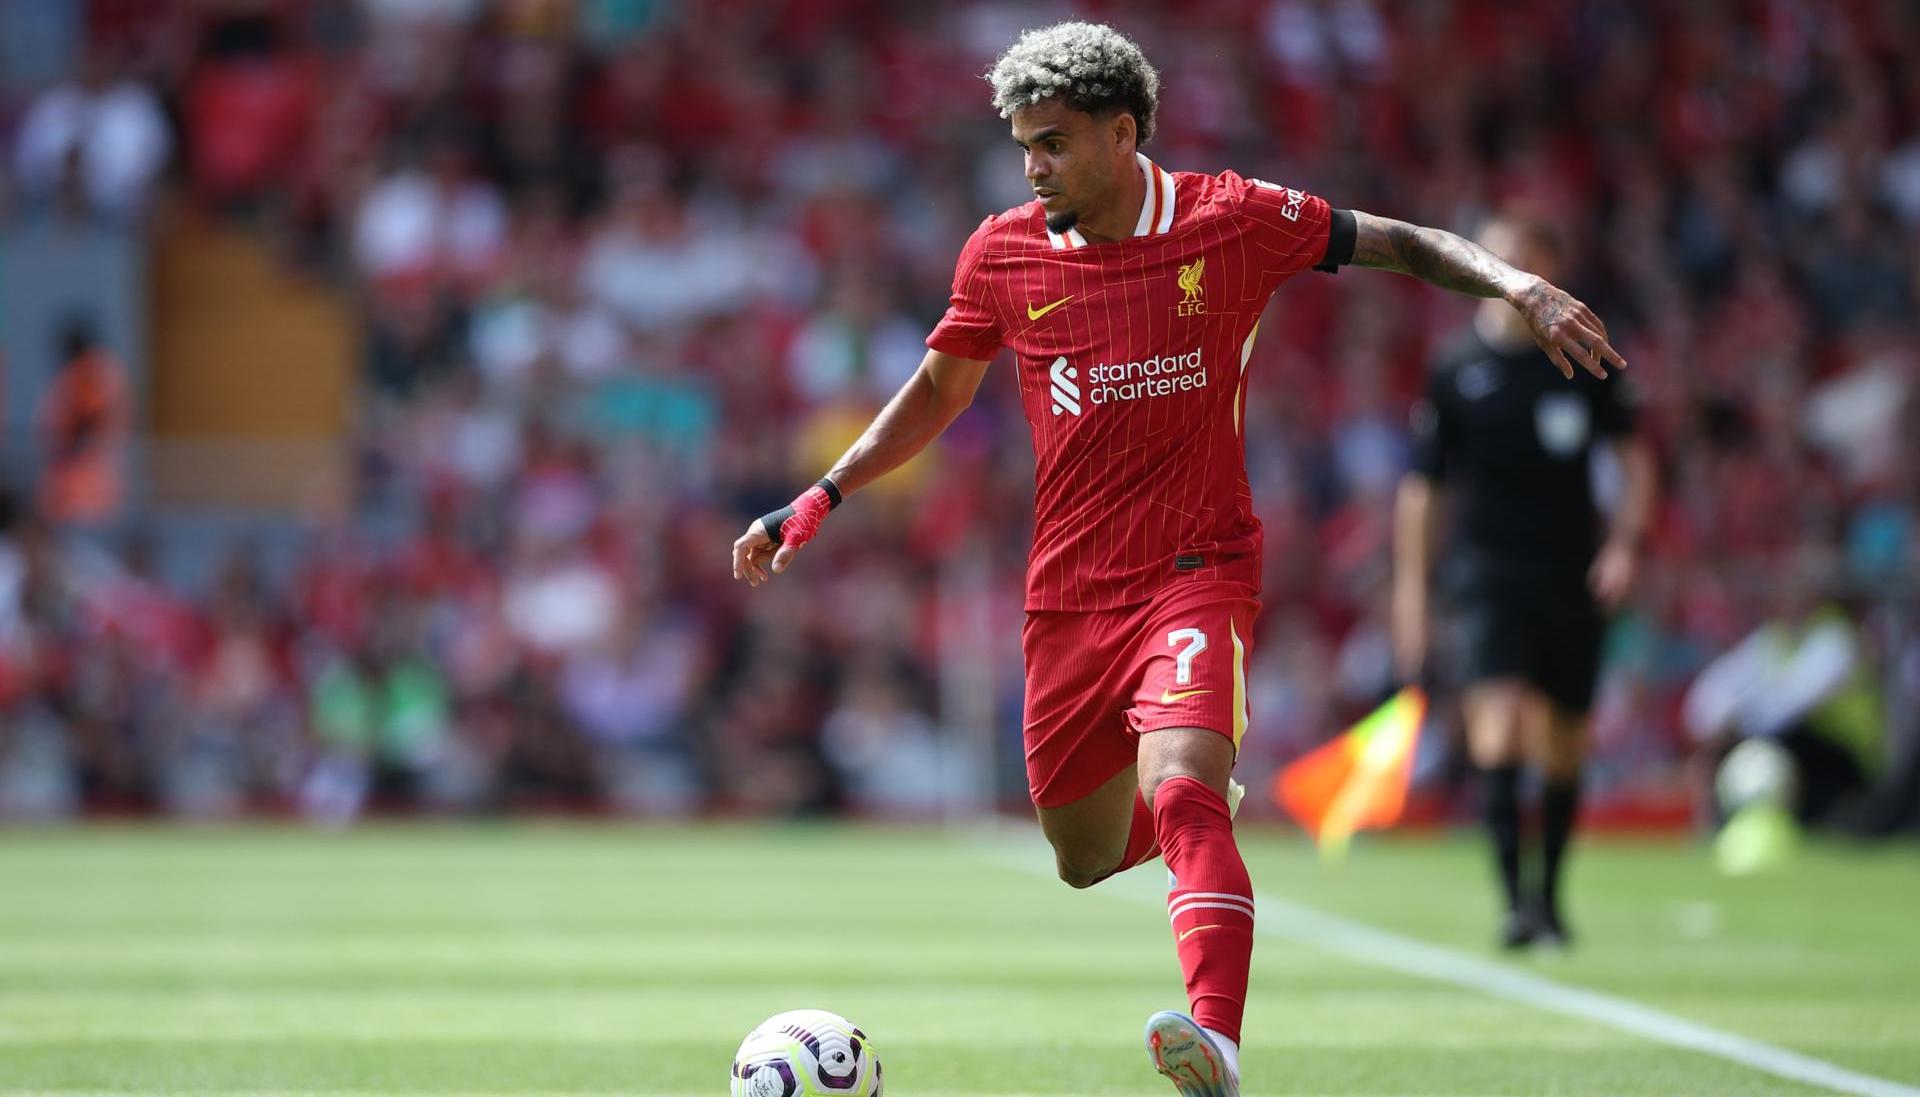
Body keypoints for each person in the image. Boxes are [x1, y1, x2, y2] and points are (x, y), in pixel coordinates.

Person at [731, 23, 1623, 1097]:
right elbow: (937, 391)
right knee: (1081, 853)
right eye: (1023, 145)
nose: (1033, 165)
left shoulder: (1230, 218)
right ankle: (1199, 803)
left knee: (1186, 786)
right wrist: (822, 494)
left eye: (1053, 142)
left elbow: (1403, 239)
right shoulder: (1002, 253)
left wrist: (1514, 284)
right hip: (1067, 595)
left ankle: (1219, 1042)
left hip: (1196, 569)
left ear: (1122, 131)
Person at [1392, 213, 1655, 951]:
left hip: (1570, 571)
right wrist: (1412, 593)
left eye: (1529, 259)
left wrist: (1626, 544)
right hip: (1487, 575)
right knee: (1501, 724)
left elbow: (1635, 463)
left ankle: (1550, 896)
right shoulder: (1454, 370)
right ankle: (1514, 902)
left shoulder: (1582, 356)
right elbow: (1423, 491)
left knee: (1565, 744)